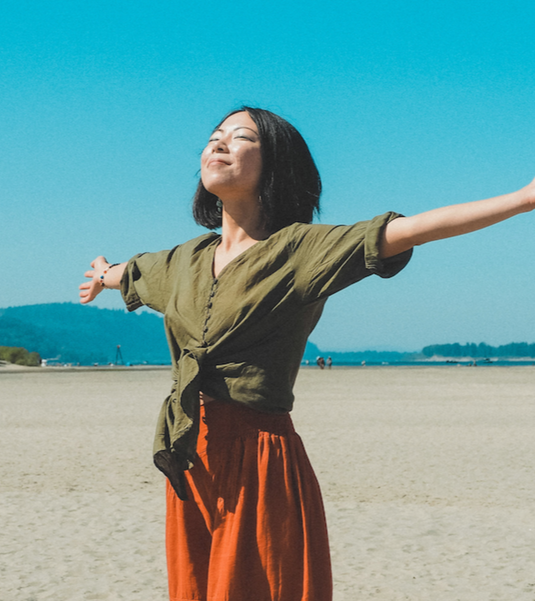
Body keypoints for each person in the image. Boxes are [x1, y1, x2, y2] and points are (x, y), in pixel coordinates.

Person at [79, 106, 535, 601]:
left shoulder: (300, 251)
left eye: (240, 137)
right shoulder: (182, 261)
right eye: (214, 137)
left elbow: (414, 229)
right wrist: (104, 274)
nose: (219, 144)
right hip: (190, 458)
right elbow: (133, 272)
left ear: (274, 164)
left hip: (258, 457)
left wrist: (523, 198)